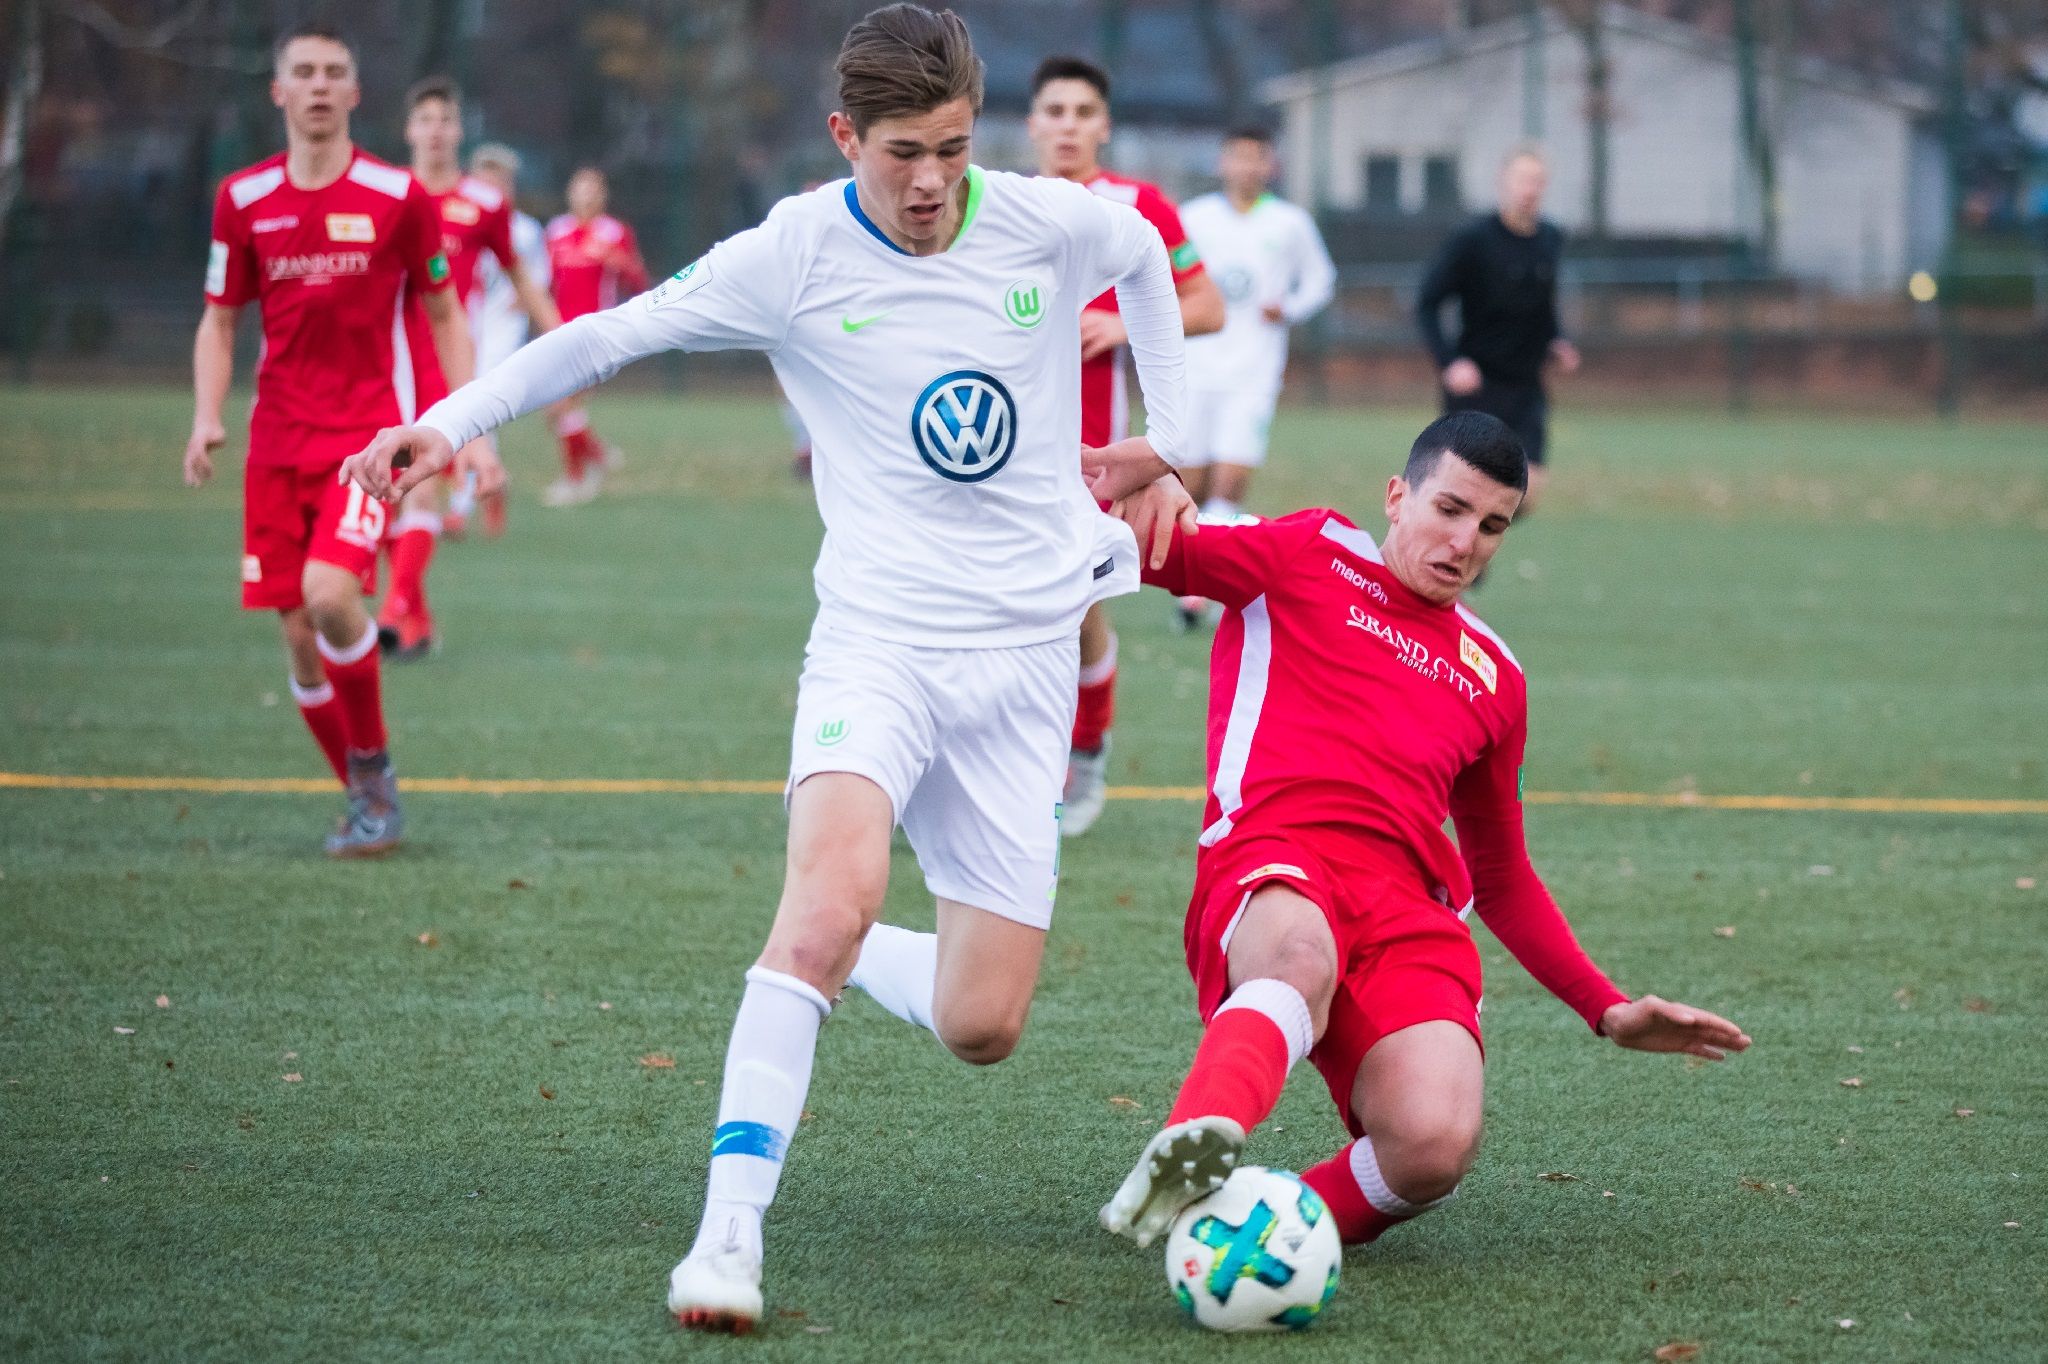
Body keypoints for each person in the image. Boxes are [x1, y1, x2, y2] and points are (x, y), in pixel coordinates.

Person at [339, 3, 1197, 1332]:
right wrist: (447, 422)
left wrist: (1169, 435)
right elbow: (608, 335)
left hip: (1026, 658)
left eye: (955, 151)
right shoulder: (795, 251)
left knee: (983, 1023)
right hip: (879, 643)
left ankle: (850, 955)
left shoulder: (1042, 220)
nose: (929, 182)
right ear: (845, 133)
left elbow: (1146, 256)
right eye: (903, 151)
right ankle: (727, 1241)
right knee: (821, 906)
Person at [1092, 411, 1748, 1258]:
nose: (1465, 542)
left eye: (1492, 526)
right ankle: (1193, 1139)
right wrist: (1140, 483)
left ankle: (1251, 1237)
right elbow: (1153, 545)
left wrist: (1608, 1007)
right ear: (1397, 498)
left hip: (1407, 912)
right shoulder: (1308, 551)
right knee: (1300, 958)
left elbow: (1502, 877)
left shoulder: (1495, 675)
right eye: (1449, 509)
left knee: (1433, 1143)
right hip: (1276, 856)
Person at [182, 23, 499, 856]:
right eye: (304, 73)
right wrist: (206, 413)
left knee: (330, 597)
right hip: (272, 447)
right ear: (279, 92)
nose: (319, 86)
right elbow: (219, 322)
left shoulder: (399, 197)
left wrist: (461, 419)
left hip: (364, 444)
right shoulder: (242, 199)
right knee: (298, 636)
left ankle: (371, 782)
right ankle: (369, 788)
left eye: (334, 73)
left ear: (355, 94)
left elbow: (443, 310)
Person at [1026, 53, 1225, 837]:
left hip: (1095, 456)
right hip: (998, 448)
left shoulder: (1140, 206)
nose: (1068, 125)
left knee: (1075, 611)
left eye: (1083, 112)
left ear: (1103, 126)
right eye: (1054, 111)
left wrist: (1119, 324)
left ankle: (1087, 747)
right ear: (1033, 124)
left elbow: (1206, 302)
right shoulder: (994, 204)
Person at [383, 79, 560, 657]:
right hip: (382, 366)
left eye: (446, 119)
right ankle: (417, 621)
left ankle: (390, 612)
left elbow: (521, 277)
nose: (435, 130)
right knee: (390, 498)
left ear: (460, 130)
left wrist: (567, 343)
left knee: (424, 493)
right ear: (409, 129)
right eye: (425, 118)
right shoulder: (383, 197)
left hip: (451, 370)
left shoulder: (484, 203)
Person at [1175, 124, 1337, 629]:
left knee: (1232, 478)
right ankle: (1191, 571)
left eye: (1257, 158)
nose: (1247, 167)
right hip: (1195, 367)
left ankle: (1197, 592)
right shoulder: (1194, 218)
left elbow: (1321, 279)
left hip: (1255, 370)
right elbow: (1165, 271)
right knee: (1191, 484)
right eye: (1238, 157)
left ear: (1271, 166)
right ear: (1223, 163)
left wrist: (1287, 307)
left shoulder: (1290, 224)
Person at [1415, 147, 1579, 514]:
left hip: (1526, 387)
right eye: (1522, 179)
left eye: (1537, 181)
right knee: (1465, 491)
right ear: (1503, 184)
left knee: (1526, 492)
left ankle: (1468, 555)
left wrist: (1557, 340)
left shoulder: (1551, 237)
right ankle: (1455, 558)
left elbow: (1542, 302)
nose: (1529, 189)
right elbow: (1426, 303)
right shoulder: (1473, 239)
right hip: (1477, 386)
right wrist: (1451, 363)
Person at [460, 141, 558, 537]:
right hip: (468, 327)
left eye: (499, 181)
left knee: (477, 407)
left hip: (504, 329)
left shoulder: (525, 230)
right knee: (467, 410)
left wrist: (526, 296)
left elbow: (538, 278)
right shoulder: (462, 218)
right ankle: (489, 484)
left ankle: (463, 502)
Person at [541, 166, 649, 505]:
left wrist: (616, 260)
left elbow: (639, 281)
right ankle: (598, 456)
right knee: (559, 409)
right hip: (559, 332)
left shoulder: (614, 232)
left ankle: (576, 480)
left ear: (602, 195)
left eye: (593, 188)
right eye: (580, 187)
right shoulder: (556, 231)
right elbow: (543, 281)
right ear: (570, 192)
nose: (585, 194)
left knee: (560, 405)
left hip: (597, 332)